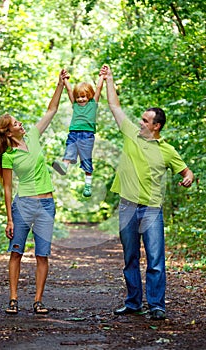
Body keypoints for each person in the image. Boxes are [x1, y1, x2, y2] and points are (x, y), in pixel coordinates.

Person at [102, 65, 194, 320]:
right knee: (130, 258)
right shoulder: (132, 135)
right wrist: (109, 79)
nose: (140, 123)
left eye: (145, 120)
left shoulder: (168, 150)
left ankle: (156, 305)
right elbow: (115, 107)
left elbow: (187, 171)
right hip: (127, 206)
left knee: (155, 259)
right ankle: (133, 303)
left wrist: (187, 178)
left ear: (156, 126)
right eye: (141, 119)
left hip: (152, 209)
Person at [0, 69, 69, 315]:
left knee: (42, 255)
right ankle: (13, 299)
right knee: (16, 252)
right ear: (8, 132)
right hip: (23, 206)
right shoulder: (8, 156)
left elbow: (51, 111)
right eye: (15, 123)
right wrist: (9, 218)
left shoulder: (33, 135)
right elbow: (8, 187)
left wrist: (59, 85)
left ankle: (38, 300)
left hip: (46, 206)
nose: (20, 123)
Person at [52, 68, 106, 197]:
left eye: (83, 97)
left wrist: (102, 77)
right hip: (73, 133)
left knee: (86, 160)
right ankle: (64, 166)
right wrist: (64, 80)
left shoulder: (93, 104)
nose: (80, 99)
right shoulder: (75, 105)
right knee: (69, 152)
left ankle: (88, 184)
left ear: (89, 96)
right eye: (78, 97)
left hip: (87, 136)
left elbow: (98, 88)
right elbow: (70, 90)